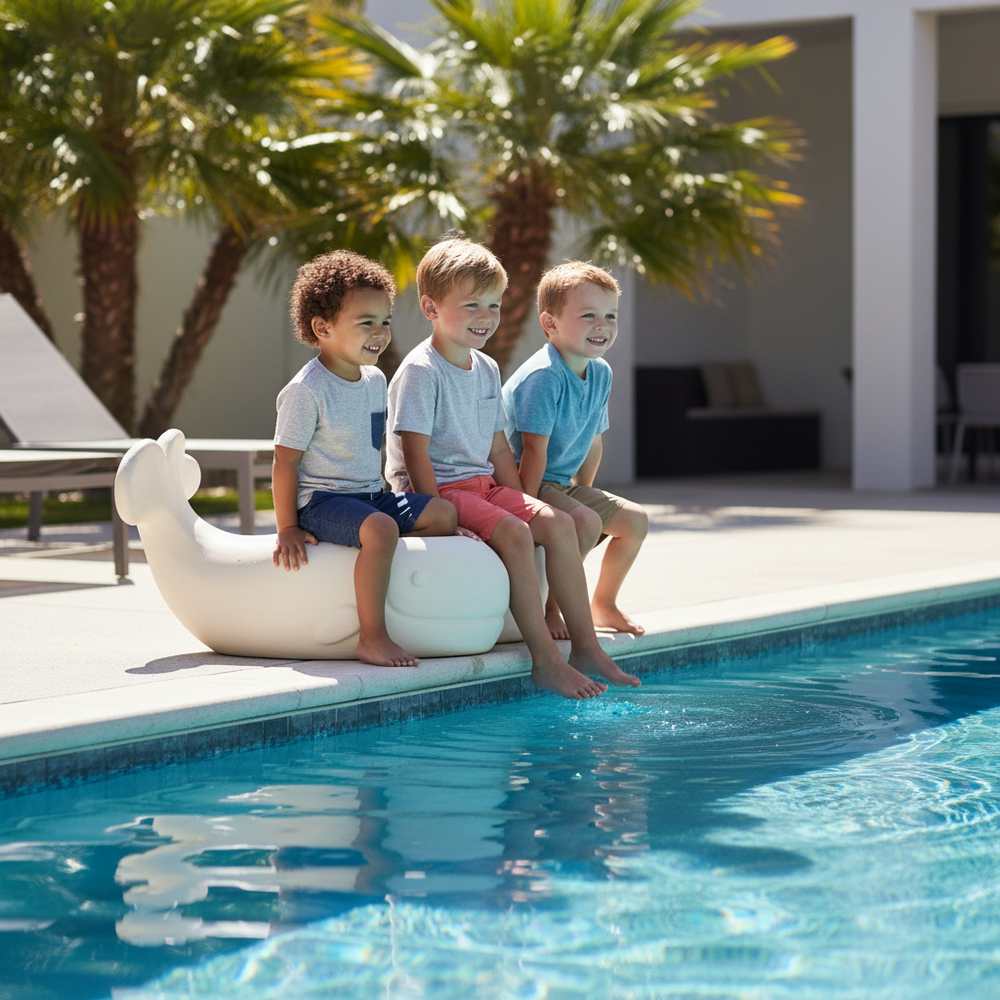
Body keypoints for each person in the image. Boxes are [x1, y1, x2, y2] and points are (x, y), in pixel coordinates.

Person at [385, 237, 640, 698]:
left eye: (494, 305)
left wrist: (523, 500)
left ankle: (584, 646)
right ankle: (545, 660)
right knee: (517, 533)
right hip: (440, 489)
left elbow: (500, 450)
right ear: (430, 306)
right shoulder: (421, 370)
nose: (486, 317)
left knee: (559, 524)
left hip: (482, 483)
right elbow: (413, 455)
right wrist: (437, 512)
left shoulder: (485, 368)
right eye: (472, 306)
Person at [272, 250, 458, 667]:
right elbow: (284, 463)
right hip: (322, 501)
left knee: (443, 514)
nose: (380, 332)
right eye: (366, 323)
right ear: (322, 327)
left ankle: (403, 594)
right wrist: (287, 527)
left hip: (371, 495)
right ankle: (372, 635)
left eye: (385, 321)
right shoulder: (307, 390)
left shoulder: (375, 378)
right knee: (379, 529)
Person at [503, 261, 649, 638]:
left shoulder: (601, 372)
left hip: (558, 482)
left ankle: (604, 604)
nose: (602, 325)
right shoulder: (544, 376)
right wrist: (525, 507)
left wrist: (585, 492)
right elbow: (533, 452)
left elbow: (593, 440)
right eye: (588, 315)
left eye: (610, 315)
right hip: (523, 482)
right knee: (582, 521)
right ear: (550, 323)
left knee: (635, 521)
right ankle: (553, 609)